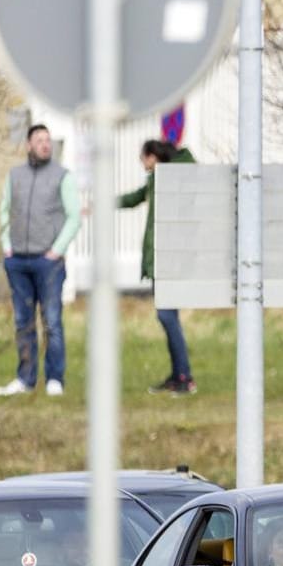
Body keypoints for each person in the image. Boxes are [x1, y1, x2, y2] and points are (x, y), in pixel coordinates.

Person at [0, 125, 81, 398]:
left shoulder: (62, 176)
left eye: (48, 140)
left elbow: (74, 216)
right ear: (28, 145)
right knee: (23, 322)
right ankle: (25, 378)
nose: (45, 145)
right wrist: (7, 246)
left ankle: (55, 379)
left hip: (48, 263)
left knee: (52, 322)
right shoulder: (15, 176)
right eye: (39, 140)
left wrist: (56, 250)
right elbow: (4, 211)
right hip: (18, 261)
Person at [120, 139, 199, 395]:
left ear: (153, 156)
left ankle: (185, 377)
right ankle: (178, 375)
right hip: (160, 259)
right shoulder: (156, 180)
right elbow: (134, 198)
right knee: (168, 317)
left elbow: (190, 167)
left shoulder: (178, 174)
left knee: (167, 316)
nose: (143, 165)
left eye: (143, 159)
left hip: (172, 259)